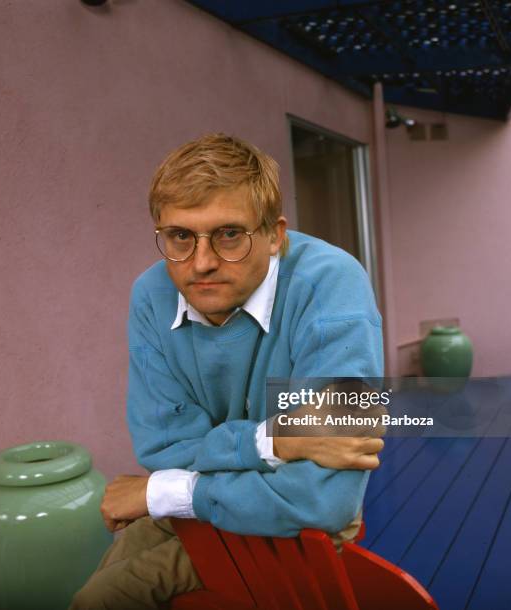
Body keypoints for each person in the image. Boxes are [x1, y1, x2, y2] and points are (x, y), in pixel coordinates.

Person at [70, 133, 384, 610]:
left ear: (275, 235)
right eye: (180, 236)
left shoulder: (336, 286)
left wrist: (168, 491)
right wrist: (276, 441)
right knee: (96, 587)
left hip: (300, 524)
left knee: (100, 599)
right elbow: (163, 449)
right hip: (228, 498)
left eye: (229, 234)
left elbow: (325, 498)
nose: (202, 263)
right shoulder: (151, 294)